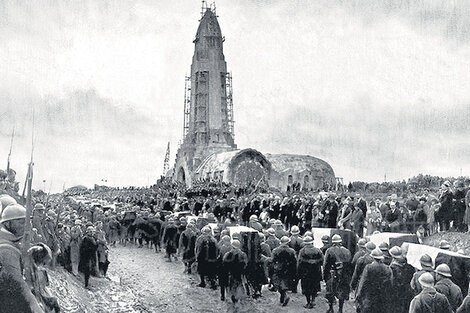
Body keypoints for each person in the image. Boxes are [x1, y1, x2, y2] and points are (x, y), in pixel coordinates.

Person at [0, 204, 44, 313]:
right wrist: (34, 305)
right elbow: (17, 282)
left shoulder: (11, 238)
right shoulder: (7, 249)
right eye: (21, 222)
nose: (26, 226)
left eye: (27, 222)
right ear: (7, 223)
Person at [356, 248, 393, 313]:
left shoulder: (368, 267)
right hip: (382, 298)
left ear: (373, 257)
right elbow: (390, 283)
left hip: (370, 297)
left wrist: (358, 295)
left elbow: (363, 282)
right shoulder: (387, 268)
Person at [323, 234, 352, 313]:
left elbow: (326, 265)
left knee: (330, 291)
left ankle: (331, 308)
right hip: (344, 275)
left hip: (333, 273)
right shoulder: (347, 251)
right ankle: (340, 309)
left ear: (333, 242)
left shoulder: (329, 250)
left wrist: (325, 277)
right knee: (341, 292)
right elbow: (349, 264)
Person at [297, 236, 323, 309]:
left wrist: (298, 273)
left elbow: (300, 261)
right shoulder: (318, 250)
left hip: (305, 272)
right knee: (314, 286)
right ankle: (313, 300)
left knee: (306, 288)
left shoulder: (302, 251)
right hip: (316, 272)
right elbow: (322, 260)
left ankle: (308, 302)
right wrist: (315, 262)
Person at [270, 236, 297, 306]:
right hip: (288, 269)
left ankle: (284, 296)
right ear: (288, 243)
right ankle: (283, 296)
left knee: (278, 283)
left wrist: (272, 269)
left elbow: (272, 261)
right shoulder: (292, 251)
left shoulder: (275, 250)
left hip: (278, 268)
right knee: (285, 283)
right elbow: (295, 262)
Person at [389, 246, 416, 313]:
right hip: (408, 295)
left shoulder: (392, 269)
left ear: (393, 257)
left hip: (396, 296)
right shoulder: (410, 266)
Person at [222, 240, 248, 304]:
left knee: (232, 284)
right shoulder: (243, 254)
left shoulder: (228, 254)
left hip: (231, 272)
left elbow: (224, 261)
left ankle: (234, 296)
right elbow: (245, 263)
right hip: (239, 272)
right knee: (240, 284)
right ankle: (240, 296)